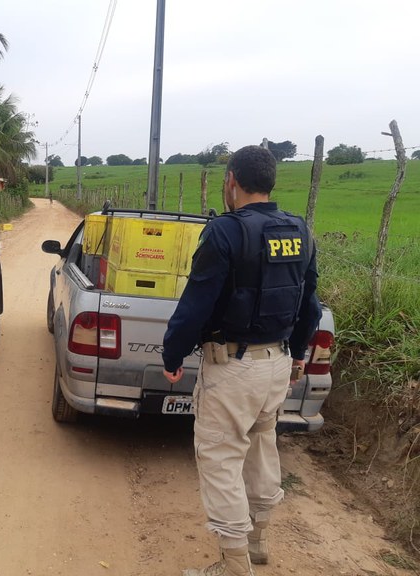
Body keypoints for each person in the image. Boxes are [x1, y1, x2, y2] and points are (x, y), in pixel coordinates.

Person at [162, 145, 322, 576]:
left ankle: (235, 566)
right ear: (272, 182)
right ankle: (258, 542)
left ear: (231, 180)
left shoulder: (225, 232)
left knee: (220, 458)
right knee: (261, 449)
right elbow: (309, 305)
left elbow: (195, 304)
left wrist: (172, 353)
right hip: (277, 364)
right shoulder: (300, 230)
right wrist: (299, 357)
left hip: (233, 368)